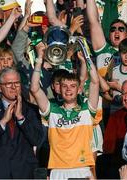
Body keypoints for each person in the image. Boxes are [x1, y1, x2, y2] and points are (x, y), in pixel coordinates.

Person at [30, 50, 99, 179]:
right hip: (58, 170)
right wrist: (39, 59)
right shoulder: (52, 110)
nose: (68, 89)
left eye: (73, 86)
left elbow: (95, 82)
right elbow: (34, 88)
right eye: (64, 86)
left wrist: (87, 56)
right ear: (59, 89)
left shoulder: (87, 109)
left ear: (79, 90)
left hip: (81, 169)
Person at [0, 67, 43, 179]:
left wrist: (20, 118)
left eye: (17, 83)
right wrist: (3, 122)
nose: (13, 87)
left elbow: (37, 139)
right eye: (8, 83)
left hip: (25, 172)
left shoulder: (32, 110)